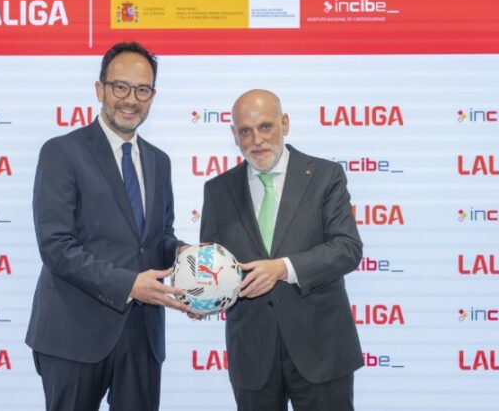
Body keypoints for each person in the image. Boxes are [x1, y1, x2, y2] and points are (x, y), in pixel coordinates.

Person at [26, 42, 189, 411]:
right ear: (100, 89)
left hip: (143, 336)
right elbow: (55, 246)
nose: (131, 99)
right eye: (121, 87)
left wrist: (184, 255)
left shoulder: (159, 161)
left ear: (152, 96)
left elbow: (158, 238)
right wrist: (128, 284)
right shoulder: (61, 152)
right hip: (73, 333)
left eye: (142, 90)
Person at [200, 89, 364, 410]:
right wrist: (202, 297)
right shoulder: (217, 190)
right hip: (252, 355)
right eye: (245, 131)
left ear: (284, 123)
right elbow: (213, 266)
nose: (257, 140)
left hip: (322, 349)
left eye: (265, 127)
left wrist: (282, 268)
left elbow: (347, 248)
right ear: (234, 135)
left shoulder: (325, 176)